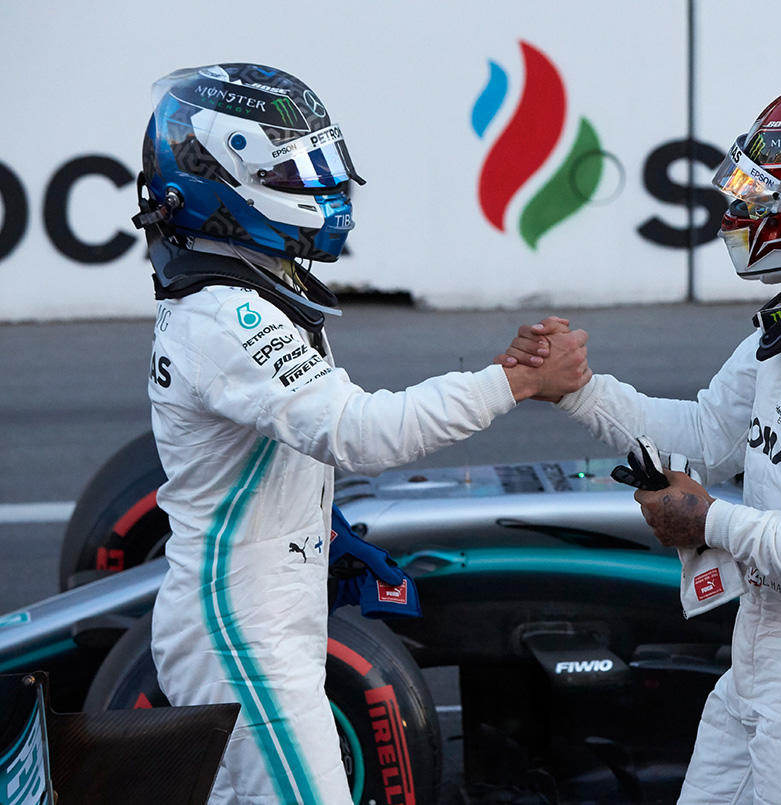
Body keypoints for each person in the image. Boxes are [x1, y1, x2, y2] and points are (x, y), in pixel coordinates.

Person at [134, 63, 589, 803]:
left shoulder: (245, 289)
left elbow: (298, 443)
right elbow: (360, 433)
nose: (323, 187)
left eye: (321, 164)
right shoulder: (226, 315)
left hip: (253, 614)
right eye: (294, 171)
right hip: (242, 632)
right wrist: (516, 383)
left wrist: (315, 533)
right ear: (217, 179)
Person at [501, 81, 781, 804]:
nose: (740, 212)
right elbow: (708, 436)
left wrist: (710, 522)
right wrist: (577, 390)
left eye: (766, 195)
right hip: (768, 638)